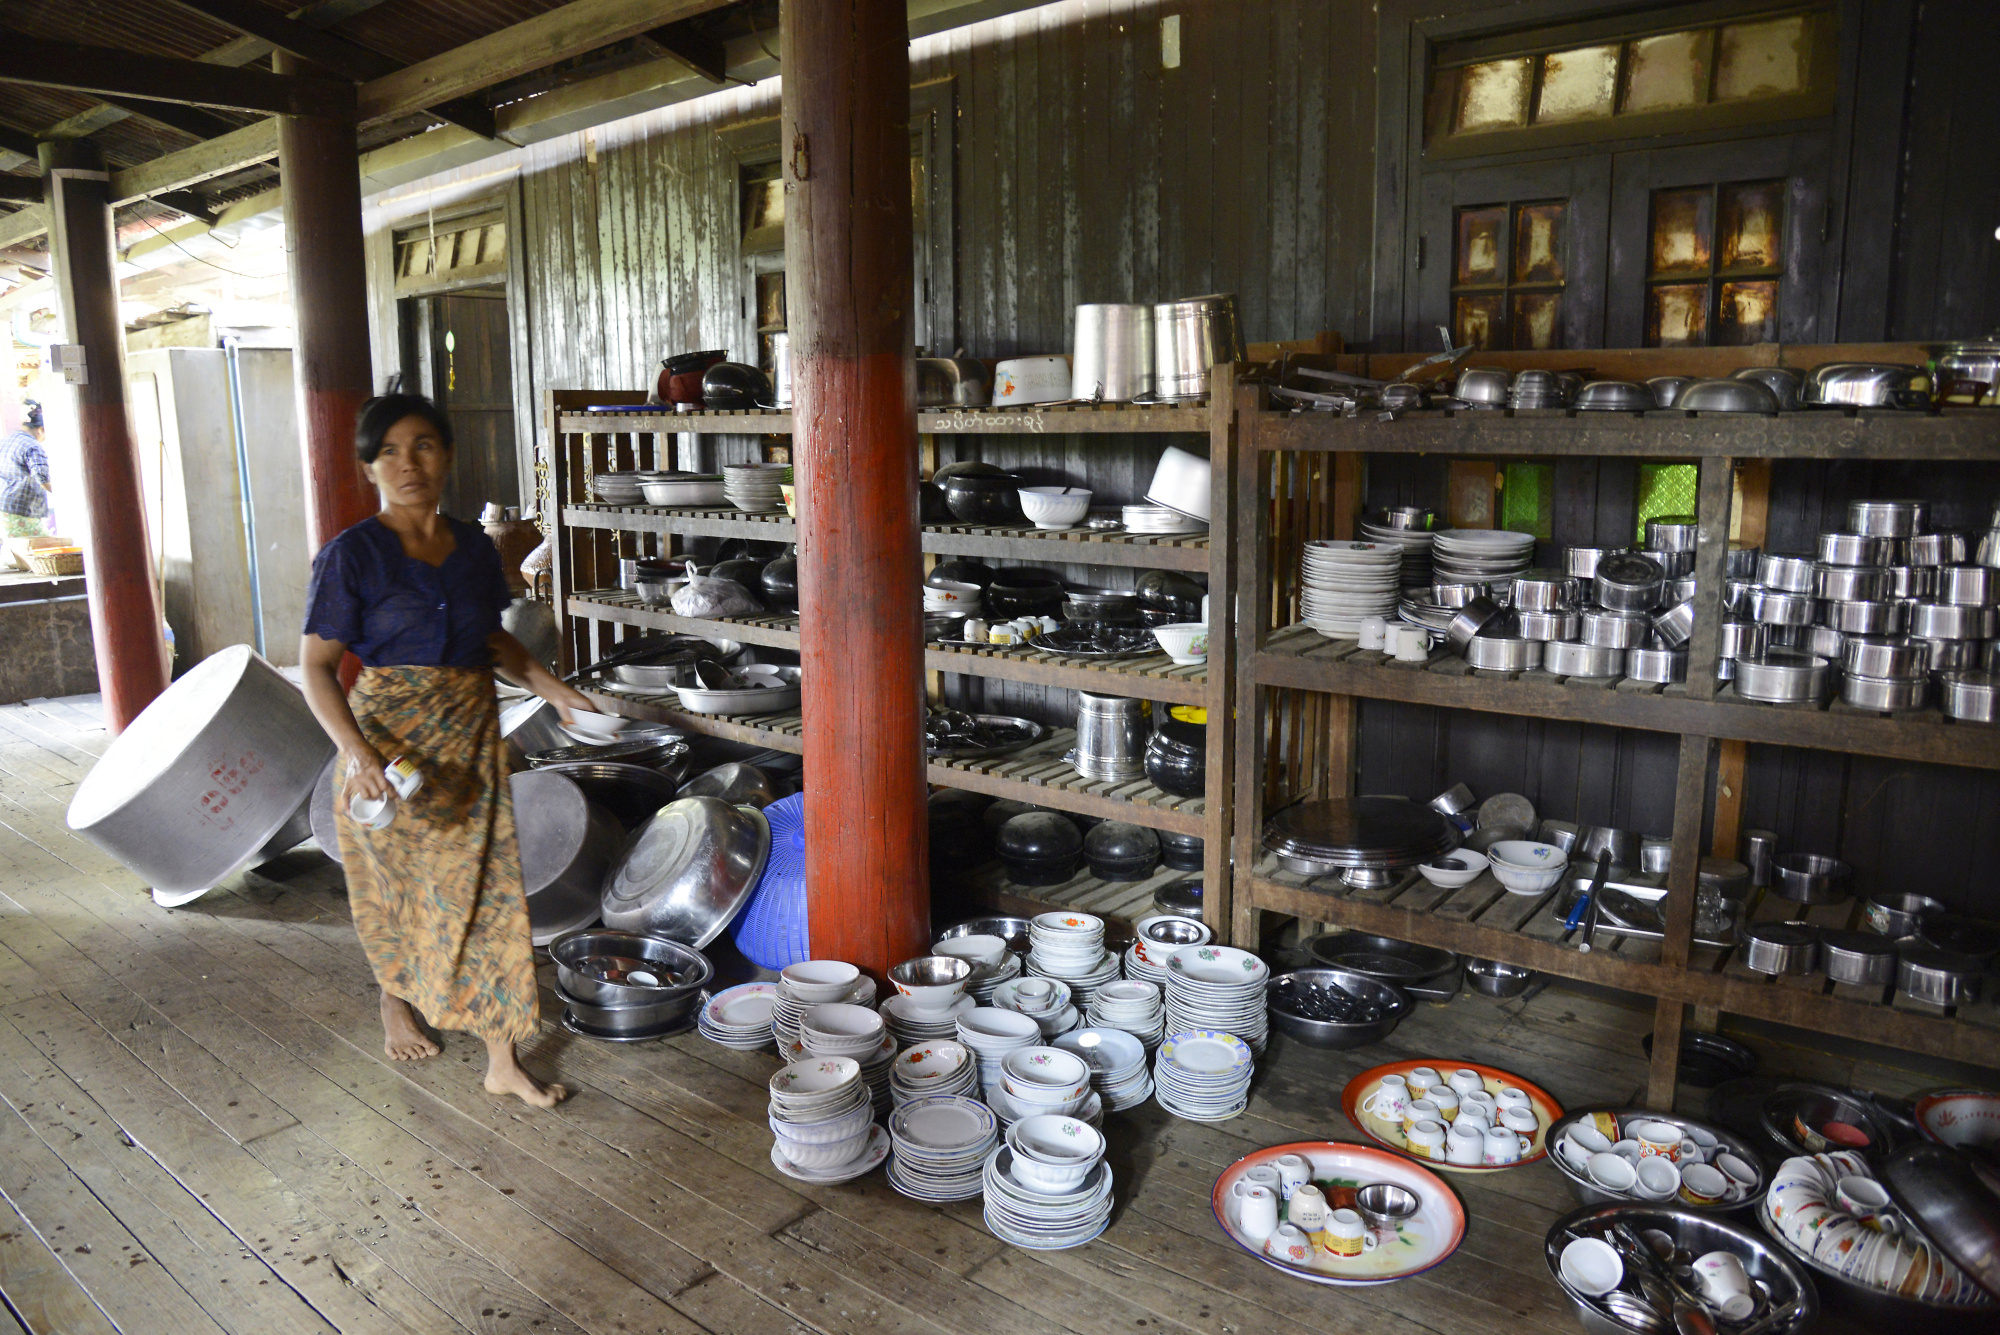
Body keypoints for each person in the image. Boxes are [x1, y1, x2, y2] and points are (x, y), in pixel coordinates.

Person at [298, 393, 591, 1108]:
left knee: (488, 892)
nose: (409, 463)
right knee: (399, 888)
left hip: (469, 738)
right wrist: (358, 752)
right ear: (369, 465)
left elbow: (491, 640)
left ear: (448, 454)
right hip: (387, 748)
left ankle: (502, 1057)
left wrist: (552, 688)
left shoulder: (471, 550)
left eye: (424, 445)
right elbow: (314, 666)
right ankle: (395, 999)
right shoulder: (351, 556)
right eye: (390, 450)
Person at [1, 399, 51, 538]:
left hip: (4, 510)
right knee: (39, 549)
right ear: (40, 430)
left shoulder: (5, 441)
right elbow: (42, 477)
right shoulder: (33, 446)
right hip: (23, 511)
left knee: (16, 552)